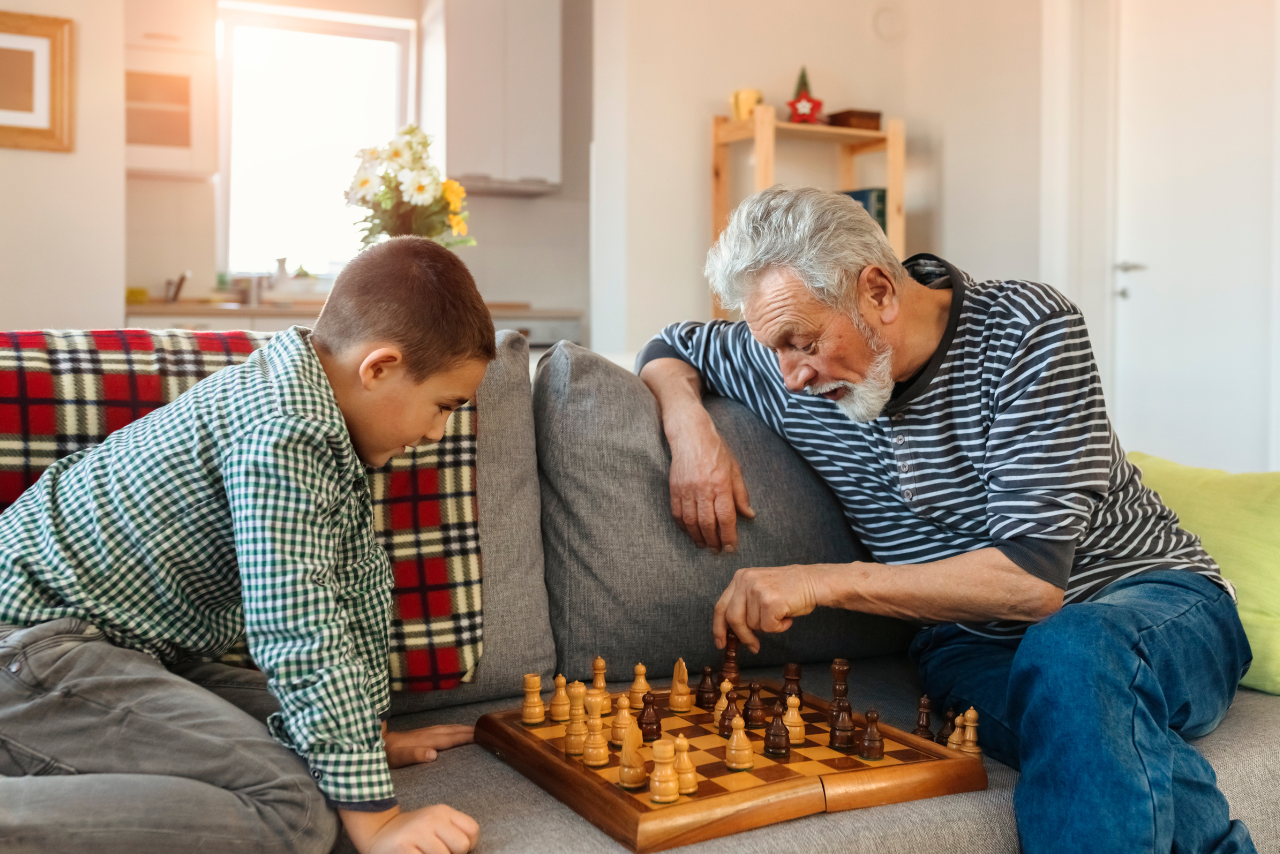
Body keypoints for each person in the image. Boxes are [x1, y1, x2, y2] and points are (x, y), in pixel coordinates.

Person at [638, 186, 1255, 853]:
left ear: (877, 290)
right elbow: (672, 346)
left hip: (1149, 603)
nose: (789, 377)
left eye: (803, 342)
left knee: (1073, 652)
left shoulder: (1029, 329)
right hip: (968, 649)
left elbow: (1031, 583)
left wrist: (821, 583)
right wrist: (689, 424)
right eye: (777, 348)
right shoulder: (785, 356)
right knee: (1097, 733)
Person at [0, 237, 491, 854]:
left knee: (308, 741)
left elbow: (354, 587)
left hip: (114, 649)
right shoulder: (286, 428)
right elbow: (297, 624)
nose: (434, 433)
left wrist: (363, 738)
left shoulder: (324, 416)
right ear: (379, 367)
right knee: (297, 815)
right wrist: (379, 817)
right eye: (442, 408)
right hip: (28, 650)